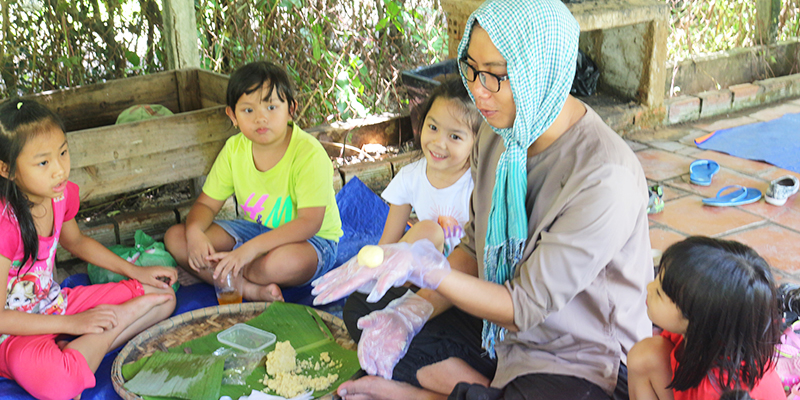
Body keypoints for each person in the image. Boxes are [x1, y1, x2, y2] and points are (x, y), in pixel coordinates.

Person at [312, 0, 654, 398]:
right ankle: (477, 388)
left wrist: (433, 274)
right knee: (370, 309)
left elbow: (523, 305)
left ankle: (429, 392)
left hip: (580, 355)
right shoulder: (497, 133)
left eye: (496, 76)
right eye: (471, 69)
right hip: (499, 329)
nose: (477, 90)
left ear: (541, 71)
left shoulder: (604, 177)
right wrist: (411, 311)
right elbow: (476, 246)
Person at [0, 99, 177, 400]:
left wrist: (137, 271)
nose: (59, 170)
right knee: (59, 385)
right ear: (7, 170)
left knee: (163, 297)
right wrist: (73, 323)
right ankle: (96, 337)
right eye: (43, 162)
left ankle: (82, 345)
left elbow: (77, 242)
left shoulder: (60, 195)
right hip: (14, 333)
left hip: (53, 302)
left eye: (63, 153)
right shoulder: (6, 226)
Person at [164, 61, 343, 302]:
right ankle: (249, 288)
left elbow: (309, 223)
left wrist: (248, 251)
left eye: (271, 107)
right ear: (232, 116)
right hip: (254, 231)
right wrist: (195, 233)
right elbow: (206, 206)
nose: (261, 118)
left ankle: (228, 270)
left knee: (280, 264)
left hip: (312, 241)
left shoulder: (308, 154)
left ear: (291, 109)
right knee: (177, 237)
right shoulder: (234, 150)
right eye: (248, 110)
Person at [627, 236, 783, 400]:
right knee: (644, 355)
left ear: (696, 320)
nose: (649, 287)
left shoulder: (715, 391)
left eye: (659, 293)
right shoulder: (712, 335)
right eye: (657, 278)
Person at [379, 77, 481, 255]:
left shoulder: (478, 184)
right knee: (428, 231)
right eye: (433, 127)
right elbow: (387, 245)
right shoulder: (410, 177)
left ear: (477, 142)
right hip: (423, 271)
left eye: (455, 137)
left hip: (466, 274)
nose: (438, 143)